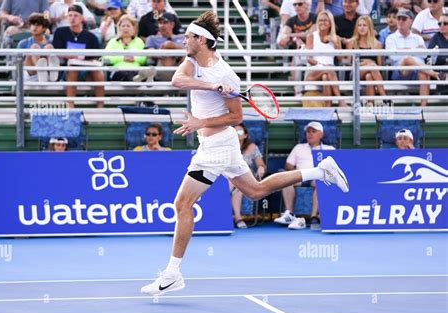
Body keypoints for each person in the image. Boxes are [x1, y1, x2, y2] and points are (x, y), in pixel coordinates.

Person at [140, 11, 349, 296]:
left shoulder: (227, 74)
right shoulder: (193, 62)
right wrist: (212, 87)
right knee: (255, 190)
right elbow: (178, 80)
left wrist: (201, 121)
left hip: (217, 147)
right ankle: (320, 171)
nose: (184, 40)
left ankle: (172, 273)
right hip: (214, 144)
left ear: (202, 40)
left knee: (182, 204)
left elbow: (235, 117)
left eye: (188, 37)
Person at [274, 121, 335, 230]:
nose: (310, 134)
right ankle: (290, 215)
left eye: (313, 131)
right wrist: (291, 169)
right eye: (308, 132)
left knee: (320, 181)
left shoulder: (329, 149)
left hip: (318, 177)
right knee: (286, 179)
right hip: (301, 176)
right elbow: (288, 166)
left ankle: (313, 216)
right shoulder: (299, 147)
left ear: (321, 134)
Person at [385, 8, 442, 106]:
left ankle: (423, 108)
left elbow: (424, 55)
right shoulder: (391, 38)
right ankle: (435, 74)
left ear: (411, 20)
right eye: (399, 19)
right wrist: (413, 50)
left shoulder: (418, 38)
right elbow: (393, 56)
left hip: (417, 70)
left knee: (422, 71)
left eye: (404, 19)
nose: (400, 21)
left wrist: (403, 50)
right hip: (400, 71)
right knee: (407, 59)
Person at [52, 4, 105, 108]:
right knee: (73, 69)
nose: (72, 18)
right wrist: (73, 56)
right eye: (70, 15)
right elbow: (57, 50)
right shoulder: (60, 32)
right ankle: (71, 105)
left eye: (75, 15)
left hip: (86, 68)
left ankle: (100, 106)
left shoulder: (91, 37)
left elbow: (96, 55)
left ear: (82, 18)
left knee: (98, 72)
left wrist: (78, 57)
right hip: (66, 69)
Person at [305, 10, 347, 107]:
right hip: (314, 71)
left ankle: (328, 106)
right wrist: (321, 65)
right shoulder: (311, 36)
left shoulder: (336, 38)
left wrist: (335, 43)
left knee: (325, 77)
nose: (322, 23)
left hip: (329, 73)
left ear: (330, 23)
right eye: (320, 20)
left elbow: (340, 59)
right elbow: (309, 59)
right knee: (328, 70)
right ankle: (340, 100)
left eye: (325, 21)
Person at [230, 123, 266, 229]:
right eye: (234, 132)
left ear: (245, 135)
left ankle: (237, 218)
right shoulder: (226, 148)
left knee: (238, 187)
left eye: (240, 132)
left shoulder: (252, 147)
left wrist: (261, 168)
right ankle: (237, 218)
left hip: (245, 177)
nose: (237, 134)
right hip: (229, 177)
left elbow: (261, 164)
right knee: (233, 184)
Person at [345, 15, 387, 102]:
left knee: (369, 76)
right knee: (371, 65)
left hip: (373, 72)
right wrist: (364, 64)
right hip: (356, 72)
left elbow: (379, 66)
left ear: (370, 27)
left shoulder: (377, 44)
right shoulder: (351, 42)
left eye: (364, 25)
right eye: (359, 25)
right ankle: (384, 97)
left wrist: (370, 65)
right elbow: (348, 63)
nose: (362, 28)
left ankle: (370, 105)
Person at [103, 14, 153, 82]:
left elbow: (144, 58)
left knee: (133, 72)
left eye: (128, 26)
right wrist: (123, 58)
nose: (125, 28)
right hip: (118, 70)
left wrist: (134, 59)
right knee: (123, 73)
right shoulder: (113, 41)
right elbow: (106, 58)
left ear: (133, 28)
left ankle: (136, 78)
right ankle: (136, 79)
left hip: (135, 69)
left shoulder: (139, 41)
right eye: (123, 26)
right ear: (119, 28)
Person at [17, 13, 59, 83]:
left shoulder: (50, 43)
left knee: (49, 47)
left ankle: (52, 71)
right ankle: (40, 71)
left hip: (47, 75)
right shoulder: (23, 43)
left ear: (44, 28)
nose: (34, 27)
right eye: (33, 25)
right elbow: (18, 62)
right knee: (34, 47)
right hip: (30, 74)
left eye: (38, 25)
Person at [144, 12, 185, 81]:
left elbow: (189, 52)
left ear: (172, 24)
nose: (162, 25)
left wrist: (173, 46)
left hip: (180, 65)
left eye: (165, 22)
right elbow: (149, 52)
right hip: (162, 67)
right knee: (167, 52)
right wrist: (165, 48)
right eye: (160, 23)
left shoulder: (182, 37)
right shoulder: (152, 38)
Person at [428, 13, 448, 94]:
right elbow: (429, 57)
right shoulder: (435, 38)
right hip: (439, 69)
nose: (442, 25)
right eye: (439, 23)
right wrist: (445, 59)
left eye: (445, 23)